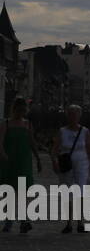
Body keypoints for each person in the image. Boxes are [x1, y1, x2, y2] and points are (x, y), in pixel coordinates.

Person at [53, 104, 90, 233]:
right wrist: (54, 162)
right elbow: (54, 150)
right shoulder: (62, 131)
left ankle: (80, 222)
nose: (73, 117)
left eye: (75, 114)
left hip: (82, 165)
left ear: (79, 116)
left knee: (80, 193)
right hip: (66, 166)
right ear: (67, 115)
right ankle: (68, 223)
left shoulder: (85, 131)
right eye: (71, 114)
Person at [0, 97, 39, 233]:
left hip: (23, 162)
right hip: (9, 162)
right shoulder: (6, 123)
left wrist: (38, 158)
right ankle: (8, 221)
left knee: (23, 192)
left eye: (23, 111)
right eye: (19, 110)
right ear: (14, 109)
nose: (21, 113)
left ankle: (24, 221)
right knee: (9, 192)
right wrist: (3, 154)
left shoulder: (27, 124)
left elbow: (32, 142)